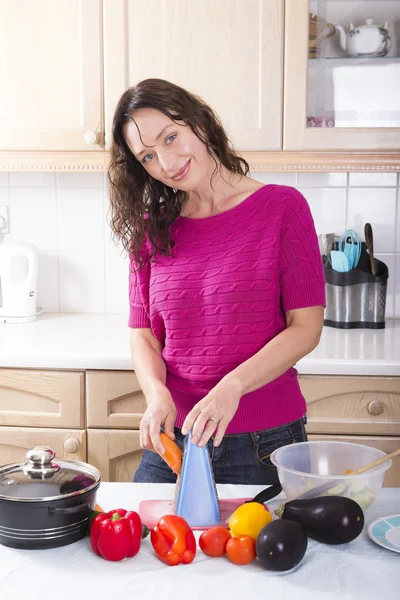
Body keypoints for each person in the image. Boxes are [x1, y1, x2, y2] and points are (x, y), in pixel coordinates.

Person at [108, 78, 326, 486]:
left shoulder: (281, 207)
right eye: (149, 156)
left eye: (171, 138)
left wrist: (233, 387)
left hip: (264, 441)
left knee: (258, 550)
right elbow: (143, 336)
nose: (167, 163)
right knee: (141, 546)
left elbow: (307, 328)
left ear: (201, 124)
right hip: (175, 438)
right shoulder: (152, 228)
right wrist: (156, 394)